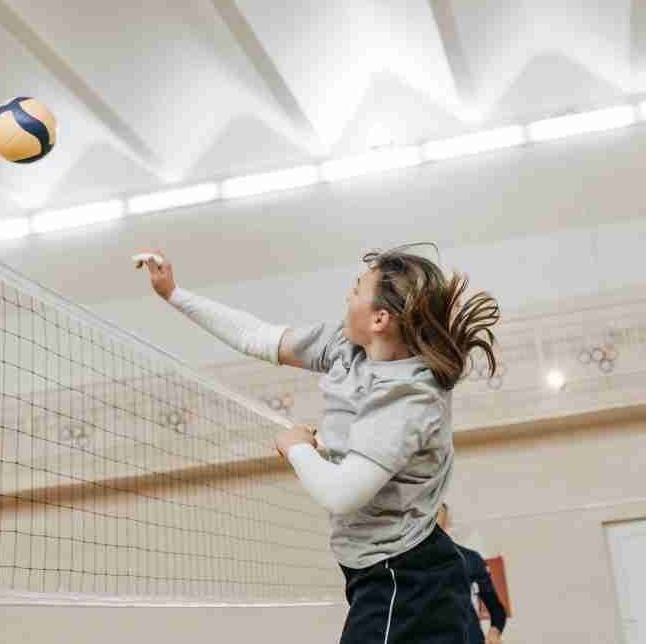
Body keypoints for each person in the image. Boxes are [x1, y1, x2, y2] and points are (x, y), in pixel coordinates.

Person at [137, 244, 499, 643]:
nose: (348, 296)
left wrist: (297, 448)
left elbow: (342, 494)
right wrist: (174, 293)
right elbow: (256, 336)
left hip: (405, 578)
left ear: (380, 318)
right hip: (383, 573)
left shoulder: (408, 397)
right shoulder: (346, 349)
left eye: (357, 289)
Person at [437, 503, 507, 644]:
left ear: (447, 522)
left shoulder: (469, 559)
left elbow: (497, 609)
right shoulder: (407, 563)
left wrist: (494, 632)